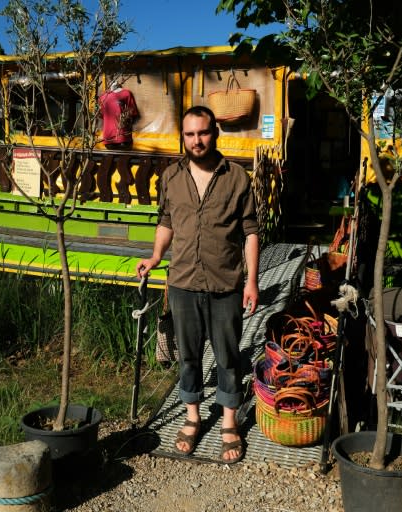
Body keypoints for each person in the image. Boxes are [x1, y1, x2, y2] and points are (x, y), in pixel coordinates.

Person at [136, 105, 259, 464]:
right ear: (183, 138)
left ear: (214, 132)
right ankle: (193, 417)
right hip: (184, 281)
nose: (196, 140)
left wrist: (252, 281)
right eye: (189, 134)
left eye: (202, 133)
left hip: (226, 283)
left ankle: (230, 421)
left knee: (228, 355)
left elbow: (250, 232)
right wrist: (156, 255)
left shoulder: (237, 177)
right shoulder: (172, 177)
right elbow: (166, 220)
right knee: (188, 354)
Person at [99, 80, 139, 149]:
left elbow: (101, 116)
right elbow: (132, 113)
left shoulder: (125, 94)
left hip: (113, 137)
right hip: (120, 137)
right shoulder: (103, 97)